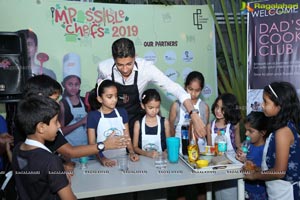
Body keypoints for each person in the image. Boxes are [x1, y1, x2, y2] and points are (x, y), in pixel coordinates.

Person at [97, 38, 206, 140]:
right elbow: (100, 92)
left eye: (129, 64)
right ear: (113, 58)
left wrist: (194, 115)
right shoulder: (104, 68)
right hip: (111, 118)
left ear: (135, 56)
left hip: (135, 118)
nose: (125, 69)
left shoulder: (146, 69)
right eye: (120, 65)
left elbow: (174, 88)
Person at [14, 75, 129, 163]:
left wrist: (63, 164)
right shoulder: (28, 123)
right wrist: (104, 145)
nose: (58, 104)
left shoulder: (42, 121)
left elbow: (61, 151)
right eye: (54, 99)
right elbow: (69, 152)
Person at [12, 95, 76, 200]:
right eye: (55, 121)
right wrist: (64, 181)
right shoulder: (51, 161)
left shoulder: (17, 149)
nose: (59, 125)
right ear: (41, 127)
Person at [244, 82, 300, 199]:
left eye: (266, 102)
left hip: (285, 193)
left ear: (279, 106)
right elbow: (275, 166)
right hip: (277, 191)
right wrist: (257, 169)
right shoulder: (278, 128)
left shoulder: (282, 132)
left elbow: (280, 172)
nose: (262, 105)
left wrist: (255, 176)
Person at [87, 79, 139, 167]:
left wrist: (131, 152)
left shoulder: (122, 112)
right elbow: (92, 143)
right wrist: (102, 159)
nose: (114, 100)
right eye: (109, 97)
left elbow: (127, 137)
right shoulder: (93, 116)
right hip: (102, 160)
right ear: (100, 99)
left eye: (116, 96)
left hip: (122, 158)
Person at [207, 93, 241, 200]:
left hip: (231, 168)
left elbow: (238, 145)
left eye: (223, 109)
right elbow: (209, 148)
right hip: (216, 167)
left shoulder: (233, 126)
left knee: (230, 195)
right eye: (217, 107)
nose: (218, 111)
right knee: (218, 195)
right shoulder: (210, 126)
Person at [235, 111, 268, 200]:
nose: (246, 134)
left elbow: (264, 170)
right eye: (246, 130)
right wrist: (239, 153)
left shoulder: (265, 150)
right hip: (245, 188)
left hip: (258, 192)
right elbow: (243, 157)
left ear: (263, 132)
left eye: (250, 131)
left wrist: (245, 161)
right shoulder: (249, 144)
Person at [59, 53, 88, 151]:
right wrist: (81, 122)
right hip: (71, 149)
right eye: (70, 84)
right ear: (63, 84)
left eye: (76, 84)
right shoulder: (62, 104)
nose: (73, 87)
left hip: (86, 147)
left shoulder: (85, 101)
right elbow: (61, 131)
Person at [133, 89, 170, 158]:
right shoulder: (138, 124)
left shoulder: (165, 122)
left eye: (157, 107)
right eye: (150, 108)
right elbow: (135, 147)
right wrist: (147, 154)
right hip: (143, 160)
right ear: (143, 106)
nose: (154, 111)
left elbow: (169, 144)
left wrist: (166, 151)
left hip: (161, 160)